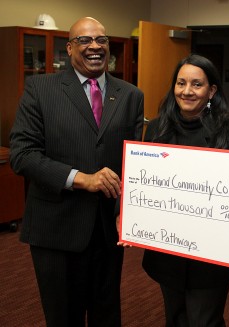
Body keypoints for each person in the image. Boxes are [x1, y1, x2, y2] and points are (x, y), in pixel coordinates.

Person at [9, 17, 144, 326]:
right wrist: (81, 178)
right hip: (57, 228)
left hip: (109, 231)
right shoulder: (40, 89)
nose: (95, 46)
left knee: (106, 314)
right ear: (69, 48)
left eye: (102, 40)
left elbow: (133, 163)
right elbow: (22, 155)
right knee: (63, 316)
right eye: (84, 40)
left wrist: (131, 211)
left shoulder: (131, 95)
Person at [140, 54, 229, 327]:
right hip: (167, 247)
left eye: (197, 84)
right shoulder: (156, 128)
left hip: (210, 255)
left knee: (204, 320)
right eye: (181, 83)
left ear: (212, 90)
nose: (186, 91)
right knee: (174, 317)